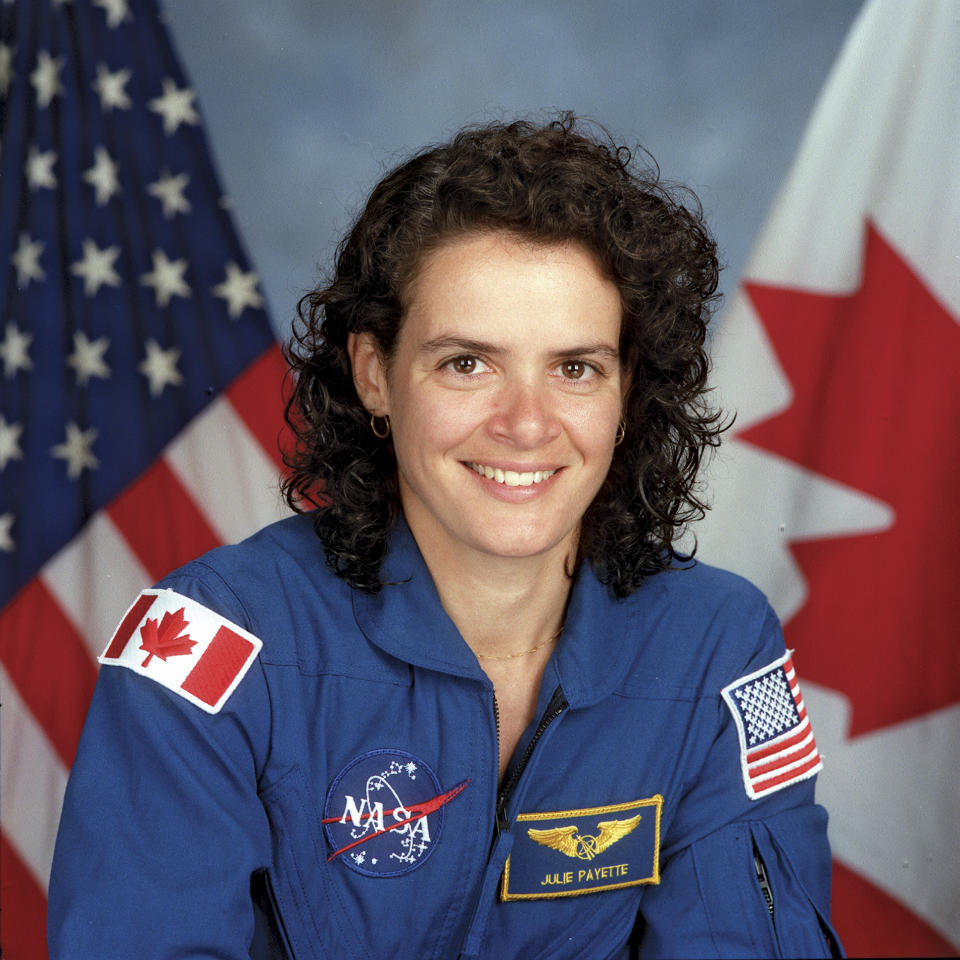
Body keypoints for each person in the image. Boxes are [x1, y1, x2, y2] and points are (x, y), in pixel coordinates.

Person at [48, 114, 843, 958]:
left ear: (626, 392)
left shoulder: (717, 650)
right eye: (468, 363)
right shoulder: (210, 648)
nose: (527, 424)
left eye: (576, 368)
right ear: (374, 375)